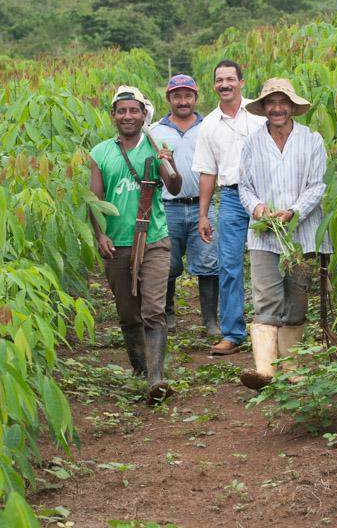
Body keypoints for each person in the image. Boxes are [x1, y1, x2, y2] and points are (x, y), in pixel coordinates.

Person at [236, 78, 332, 390]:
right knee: (266, 296)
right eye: (271, 103)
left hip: (301, 232)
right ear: (263, 108)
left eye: (283, 103)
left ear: (292, 107)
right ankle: (264, 370)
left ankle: (291, 366)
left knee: (297, 299)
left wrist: (292, 211)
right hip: (264, 234)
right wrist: (260, 208)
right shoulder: (251, 143)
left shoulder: (311, 140)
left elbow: (317, 185)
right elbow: (244, 187)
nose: (277, 108)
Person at [89, 85, 182, 404]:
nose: (128, 116)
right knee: (129, 314)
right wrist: (101, 235)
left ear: (144, 115)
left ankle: (157, 378)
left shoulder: (157, 146)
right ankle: (141, 369)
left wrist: (168, 162)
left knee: (154, 310)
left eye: (134, 111)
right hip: (118, 244)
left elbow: (174, 185)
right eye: (121, 111)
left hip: (154, 238)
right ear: (113, 116)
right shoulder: (100, 153)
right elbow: (95, 200)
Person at [191, 60, 264, 355]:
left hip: (263, 195)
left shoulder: (259, 115)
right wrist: (204, 214)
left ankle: (272, 328)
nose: (225, 84)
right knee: (229, 265)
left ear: (241, 82)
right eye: (219, 80)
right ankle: (233, 333)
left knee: (268, 262)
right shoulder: (208, 125)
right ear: (214, 86)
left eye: (230, 79)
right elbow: (207, 173)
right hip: (232, 198)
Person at [150, 75, 220, 335]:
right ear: (168, 99)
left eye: (187, 95)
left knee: (209, 261)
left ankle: (210, 320)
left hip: (203, 205)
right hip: (168, 206)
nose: (182, 101)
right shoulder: (156, 131)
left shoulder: (209, 127)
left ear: (195, 98)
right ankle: (167, 314)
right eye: (177, 96)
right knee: (166, 263)